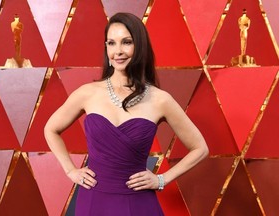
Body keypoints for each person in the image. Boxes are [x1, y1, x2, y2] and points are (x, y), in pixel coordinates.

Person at [44, 12, 209, 216]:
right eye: (111, 43)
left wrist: (161, 179)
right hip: (94, 201)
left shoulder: (160, 99)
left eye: (126, 42)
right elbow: (51, 129)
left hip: (139, 203)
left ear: (139, 46)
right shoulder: (87, 93)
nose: (118, 51)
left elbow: (200, 148)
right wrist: (71, 170)